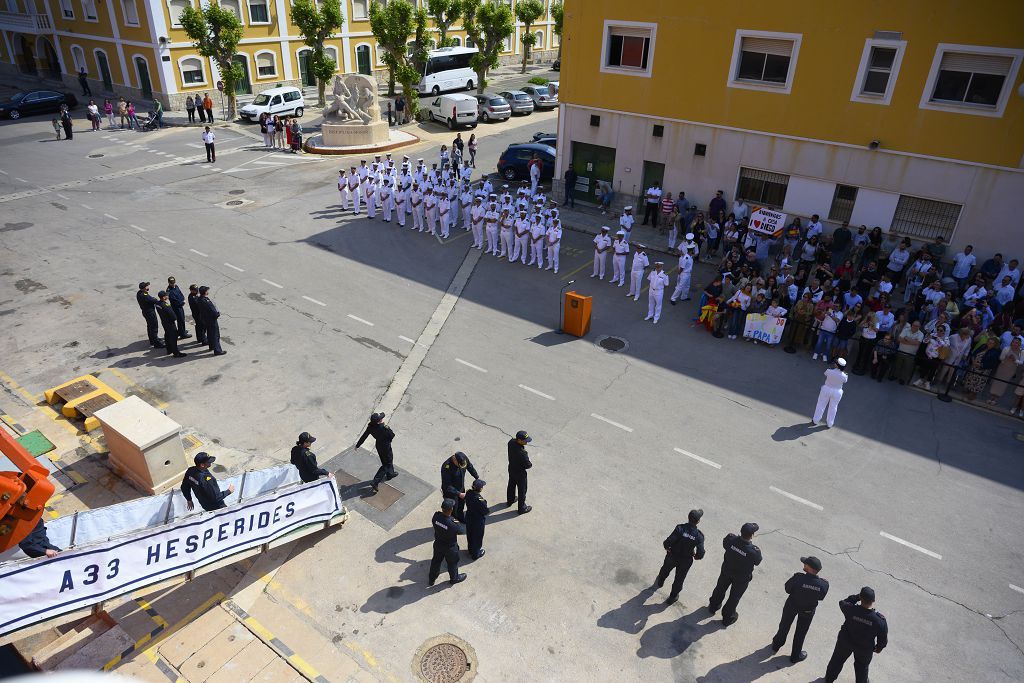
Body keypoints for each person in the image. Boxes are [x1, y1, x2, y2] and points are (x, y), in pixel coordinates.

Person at [772, 556, 829, 664]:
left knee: (784, 625)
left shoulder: (798, 578)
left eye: (805, 564)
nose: (803, 565)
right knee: (801, 633)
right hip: (808, 610)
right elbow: (821, 597)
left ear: (809, 567)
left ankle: (776, 645)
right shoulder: (823, 584)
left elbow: (787, 589)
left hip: (792, 606)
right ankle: (795, 655)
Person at [824, 587, 888, 683]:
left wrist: (857, 597)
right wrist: (878, 648)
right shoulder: (879, 620)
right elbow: (882, 640)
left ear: (861, 598)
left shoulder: (850, 609)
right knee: (862, 668)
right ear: (873, 600)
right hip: (864, 649)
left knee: (836, 661)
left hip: (845, 641)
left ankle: (829, 679)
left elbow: (842, 602)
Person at [708, 522, 762, 627]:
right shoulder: (754, 551)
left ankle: (713, 606)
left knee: (720, 588)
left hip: (726, 571)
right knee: (734, 597)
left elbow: (725, 544)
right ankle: (727, 617)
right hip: (741, 579)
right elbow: (757, 562)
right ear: (752, 535)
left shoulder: (730, 539)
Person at [655, 508, 706, 605]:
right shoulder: (699, 536)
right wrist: (697, 556)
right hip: (685, 561)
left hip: (672, 555)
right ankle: (672, 597)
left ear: (688, 517)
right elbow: (701, 553)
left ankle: (660, 581)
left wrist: (667, 548)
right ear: (698, 521)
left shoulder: (680, 528)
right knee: (679, 579)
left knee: (665, 569)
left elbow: (668, 542)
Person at [428, 499, 467, 586]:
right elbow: (461, 531)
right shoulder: (453, 523)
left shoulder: (436, 517)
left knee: (436, 561)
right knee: (452, 563)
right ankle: (454, 578)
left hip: (438, 544)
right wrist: (452, 518)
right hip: (450, 547)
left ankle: (432, 579)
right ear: (451, 510)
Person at [355, 412, 397, 492]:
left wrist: (358, 445)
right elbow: (392, 435)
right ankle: (375, 482)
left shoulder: (371, 427)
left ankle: (390, 474)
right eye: (381, 418)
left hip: (379, 446)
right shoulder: (384, 428)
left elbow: (364, 436)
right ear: (378, 421)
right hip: (386, 447)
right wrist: (387, 427)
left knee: (387, 460)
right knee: (386, 464)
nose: (382, 419)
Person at [441, 452, 479, 522]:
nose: (460, 467)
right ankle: (454, 523)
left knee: (461, 505)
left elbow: (470, 466)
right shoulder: (446, 467)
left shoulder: (463, 458)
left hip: (461, 488)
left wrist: (476, 477)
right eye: (459, 465)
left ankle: (461, 518)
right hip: (451, 492)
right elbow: (447, 485)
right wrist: (458, 494)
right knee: (454, 509)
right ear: (455, 460)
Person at [812, 357, 848, 427]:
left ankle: (815, 420)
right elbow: (845, 381)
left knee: (821, 404)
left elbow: (825, 373)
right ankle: (830, 423)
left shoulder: (829, 370)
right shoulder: (845, 375)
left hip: (827, 389)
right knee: (833, 407)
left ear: (837, 365)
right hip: (837, 392)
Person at [506, 430, 533, 514]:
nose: (526, 442)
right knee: (522, 490)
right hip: (520, 473)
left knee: (511, 484)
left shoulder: (511, 442)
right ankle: (522, 508)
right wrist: (530, 463)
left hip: (511, 468)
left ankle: (510, 500)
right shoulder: (522, 453)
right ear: (519, 440)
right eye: (525, 441)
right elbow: (528, 465)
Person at [156, 291, 187, 358]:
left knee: (167, 335)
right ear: (164, 297)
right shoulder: (166, 305)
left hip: (164, 322)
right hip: (170, 323)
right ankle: (176, 353)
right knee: (173, 337)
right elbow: (173, 315)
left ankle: (169, 349)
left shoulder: (158, 304)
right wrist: (175, 318)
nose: (167, 296)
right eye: (166, 295)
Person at [197, 286, 226, 355]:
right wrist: (217, 314)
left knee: (210, 333)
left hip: (206, 319)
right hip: (211, 320)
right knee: (215, 334)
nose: (208, 291)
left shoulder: (200, 299)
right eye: (207, 290)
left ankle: (212, 346)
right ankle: (217, 350)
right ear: (205, 292)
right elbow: (212, 310)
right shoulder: (205, 301)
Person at [465, 479, 489, 560]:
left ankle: (470, 549)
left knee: (470, 534)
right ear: (480, 489)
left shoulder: (468, 493)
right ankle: (476, 553)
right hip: (477, 521)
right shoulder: (480, 500)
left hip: (469, 517)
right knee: (477, 537)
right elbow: (486, 511)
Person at [137, 282, 163, 348]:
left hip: (146, 312)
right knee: (154, 327)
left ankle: (152, 340)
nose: (148, 287)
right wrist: (154, 299)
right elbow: (153, 300)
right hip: (149, 312)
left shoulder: (139, 293)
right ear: (143, 288)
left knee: (150, 326)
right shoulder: (144, 295)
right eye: (146, 286)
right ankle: (156, 343)